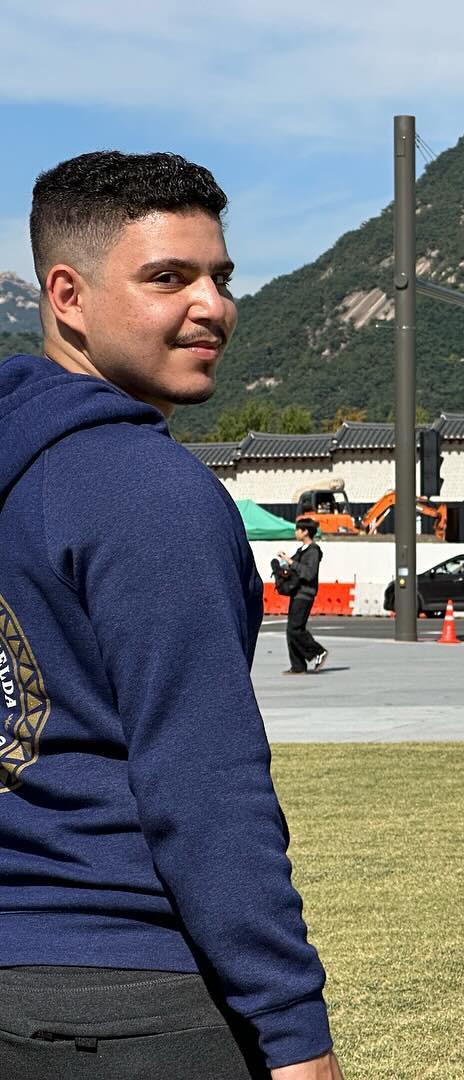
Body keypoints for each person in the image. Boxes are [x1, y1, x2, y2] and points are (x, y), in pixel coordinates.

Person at [0, 152, 340, 1077]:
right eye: (168, 277)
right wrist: (295, 1031)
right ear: (67, 294)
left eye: (221, 277)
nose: (213, 307)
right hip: (123, 994)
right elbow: (204, 780)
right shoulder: (148, 490)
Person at [275, 518, 328, 675]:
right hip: (296, 592)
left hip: (305, 594)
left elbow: (309, 573)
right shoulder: (301, 550)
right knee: (291, 630)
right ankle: (298, 666)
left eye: (298, 529)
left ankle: (318, 651)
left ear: (305, 532)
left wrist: (290, 562)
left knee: (295, 629)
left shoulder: (313, 551)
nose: (296, 532)